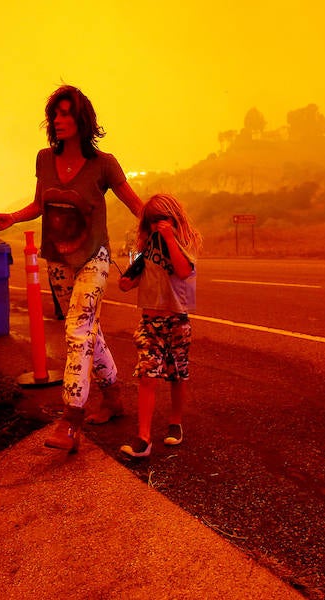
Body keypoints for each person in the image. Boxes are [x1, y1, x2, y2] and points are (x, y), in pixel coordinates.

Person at [0, 84, 143, 452]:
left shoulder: (104, 164)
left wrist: (164, 225)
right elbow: (40, 203)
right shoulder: (44, 159)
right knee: (89, 332)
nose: (58, 120)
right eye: (55, 114)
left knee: (77, 329)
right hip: (58, 260)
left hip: (94, 258)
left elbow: (137, 205)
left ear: (82, 119)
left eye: (66, 113)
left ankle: (70, 420)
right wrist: (12, 217)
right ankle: (114, 397)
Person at [117, 193, 202, 458]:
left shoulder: (185, 243)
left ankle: (175, 421)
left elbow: (183, 271)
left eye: (162, 218)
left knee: (177, 374)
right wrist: (126, 281)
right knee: (147, 375)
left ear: (174, 217)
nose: (157, 225)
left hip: (177, 319)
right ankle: (143, 438)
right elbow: (132, 278)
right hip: (149, 321)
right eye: (152, 220)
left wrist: (169, 238)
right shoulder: (145, 249)